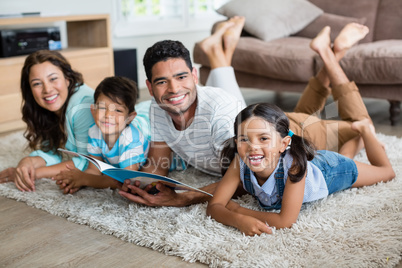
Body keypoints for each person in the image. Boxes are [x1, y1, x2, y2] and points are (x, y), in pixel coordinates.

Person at [119, 19, 373, 207]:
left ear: (194, 76)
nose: (173, 89)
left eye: (181, 77)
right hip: (272, 122)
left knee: (362, 126)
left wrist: (184, 197)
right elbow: (158, 162)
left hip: (299, 132)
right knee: (305, 111)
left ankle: (331, 53)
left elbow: (246, 177)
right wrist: (141, 182)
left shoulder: (219, 114)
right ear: (149, 87)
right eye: (162, 82)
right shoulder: (157, 107)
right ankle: (333, 51)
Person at [206, 102, 395, 236]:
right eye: (244, 139)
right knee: (345, 157)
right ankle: (357, 139)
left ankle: (366, 131)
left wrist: (239, 211)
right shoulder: (239, 161)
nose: (252, 147)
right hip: (317, 164)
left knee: (385, 173)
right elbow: (214, 207)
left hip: (331, 171)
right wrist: (236, 221)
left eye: (263, 138)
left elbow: (285, 221)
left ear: (283, 143)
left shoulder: (294, 166)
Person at [0, 50, 150, 192]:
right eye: (37, 83)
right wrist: (27, 163)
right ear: (30, 89)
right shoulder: (49, 109)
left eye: (53, 79)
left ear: (67, 79)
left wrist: (35, 173)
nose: (47, 89)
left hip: (143, 124)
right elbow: (54, 151)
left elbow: (85, 161)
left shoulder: (83, 107)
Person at [53, 76, 150, 194]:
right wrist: (77, 181)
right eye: (103, 108)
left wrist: (84, 179)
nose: (108, 115)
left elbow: (126, 180)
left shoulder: (131, 139)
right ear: (93, 111)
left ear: (129, 117)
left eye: (118, 110)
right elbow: (93, 170)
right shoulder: (94, 131)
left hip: (147, 131)